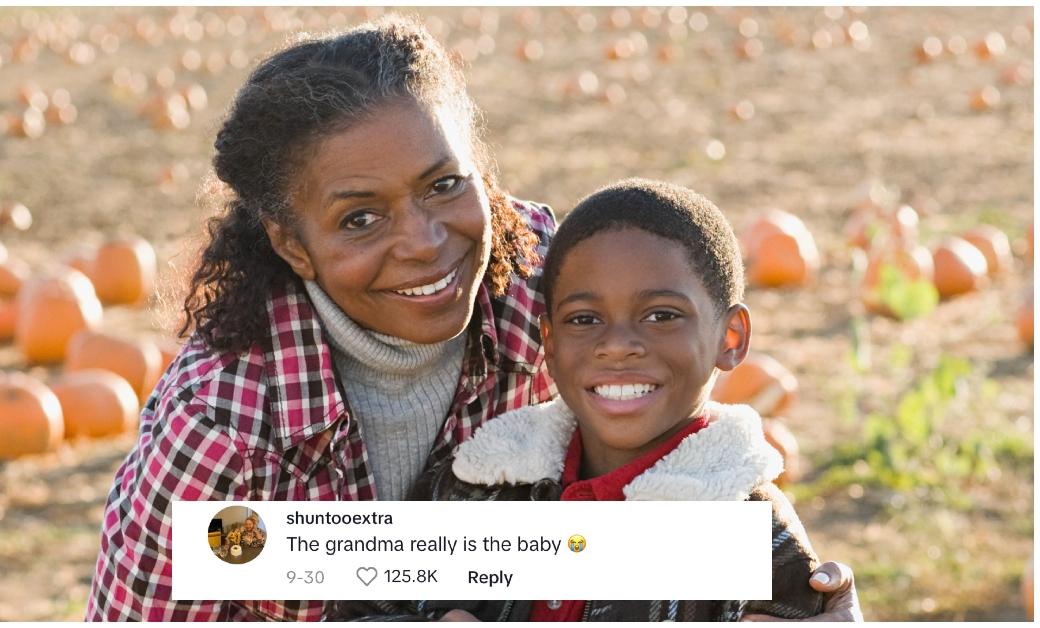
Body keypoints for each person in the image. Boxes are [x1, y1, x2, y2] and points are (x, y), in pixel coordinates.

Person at [85, 17, 859, 622]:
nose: (425, 243)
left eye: (445, 184)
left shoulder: (548, 293)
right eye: (359, 220)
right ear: (292, 242)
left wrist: (793, 590)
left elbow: (674, 417)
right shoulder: (222, 426)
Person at [341, 179, 841, 621]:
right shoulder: (476, 483)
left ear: (730, 339)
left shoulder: (752, 539)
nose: (618, 344)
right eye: (585, 319)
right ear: (551, 346)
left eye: (661, 315)